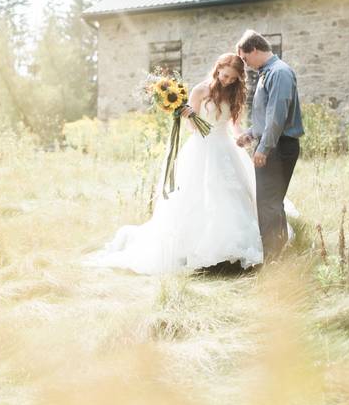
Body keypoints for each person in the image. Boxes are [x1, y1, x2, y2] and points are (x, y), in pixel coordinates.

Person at [84, 54, 264, 275]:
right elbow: (192, 128)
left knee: (231, 196)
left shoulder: (235, 93)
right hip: (201, 147)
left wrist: (242, 138)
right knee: (196, 197)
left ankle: (229, 254)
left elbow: (234, 125)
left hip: (225, 148)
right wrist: (189, 116)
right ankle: (194, 252)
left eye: (233, 79)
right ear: (217, 69)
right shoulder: (200, 91)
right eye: (225, 76)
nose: (227, 81)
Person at [235, 30, 304, 261]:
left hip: (278, 147)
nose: (245, 65)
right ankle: (281, 254)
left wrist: (263, 148)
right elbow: (267, 117)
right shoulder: (268, 73)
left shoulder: (279, 72)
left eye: (245, 58)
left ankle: (274, 260)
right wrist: (251, 134)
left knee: (267, 204)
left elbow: (277, 116)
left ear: (254, 50)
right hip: (274, 143)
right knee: (272, 203)